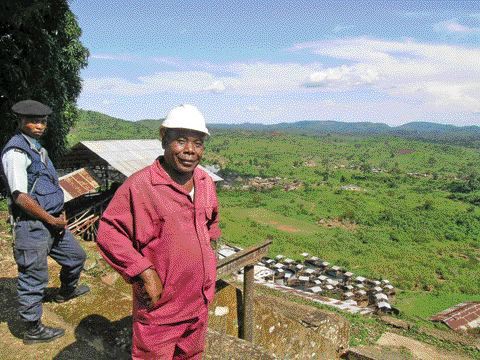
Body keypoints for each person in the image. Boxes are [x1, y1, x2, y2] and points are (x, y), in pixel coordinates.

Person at [96, 104, 221, 359]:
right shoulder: (140, 186)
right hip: (160, 309)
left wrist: (207, 264)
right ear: (164, 140)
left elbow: (211, 228)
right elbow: (109, 233)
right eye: (181, 141)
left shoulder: (205, 182)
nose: (189, 150)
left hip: (198, 304)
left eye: (197, 143)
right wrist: (143, 270)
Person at [0, 100, 90, 344]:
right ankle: (32, 329)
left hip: (53, 222)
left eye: (43, 121)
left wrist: (60, 214)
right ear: (20, 121)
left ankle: (66, 291)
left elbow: (47, 185)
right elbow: (20, 197)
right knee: (33, 276)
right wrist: (51, 219)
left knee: (76, 257)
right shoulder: (16, 152)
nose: (39, 125)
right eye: (34, 121)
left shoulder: (37, 147)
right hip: (32, 226)